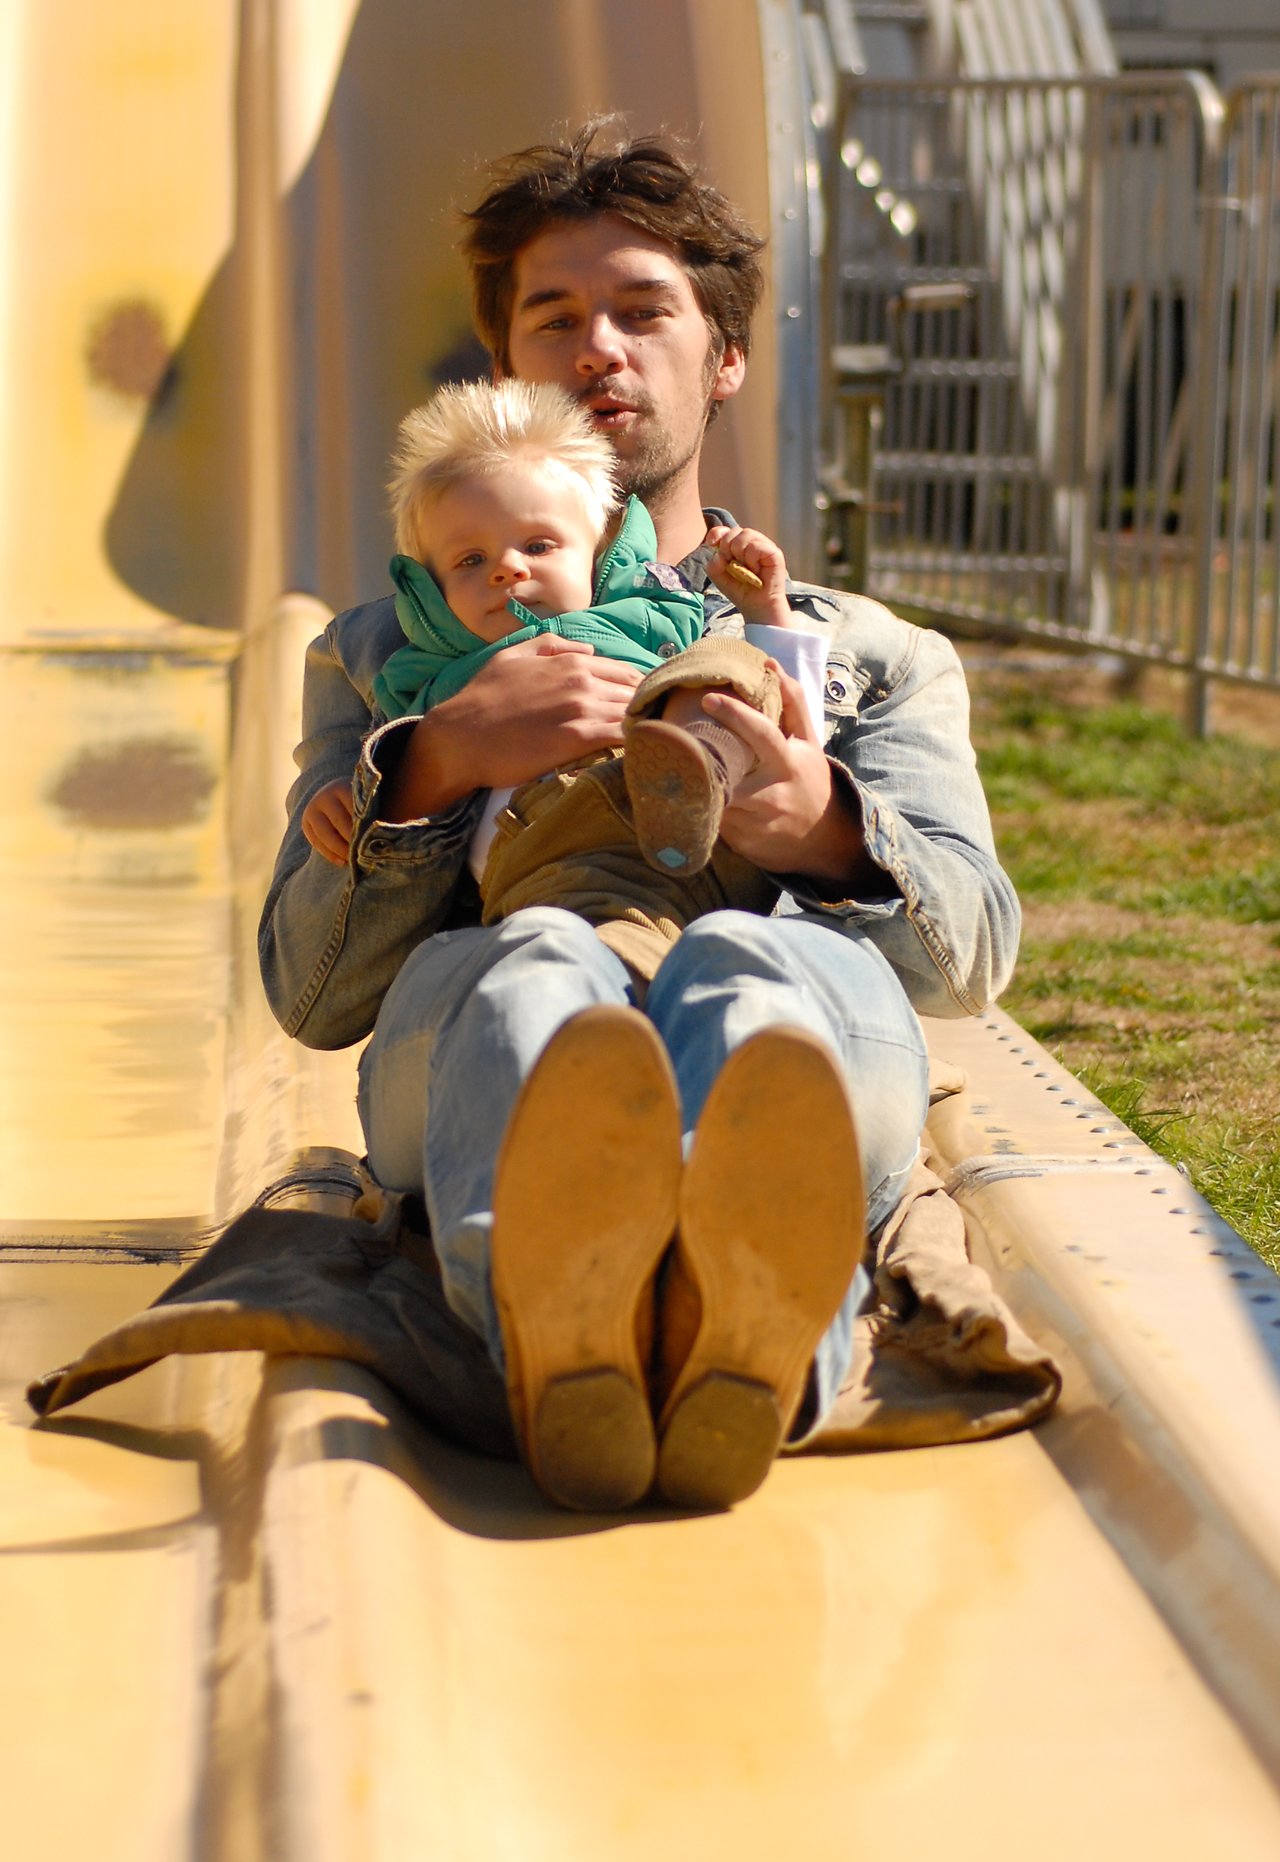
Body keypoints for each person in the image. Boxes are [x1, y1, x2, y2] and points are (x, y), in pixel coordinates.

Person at [259, 121, 1020, 1517]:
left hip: (790, 996)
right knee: (530, 977)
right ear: (508, 368)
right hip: (505, 997)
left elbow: (971, 953)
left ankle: (745, 1348)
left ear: (722, 359)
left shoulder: (863, 650)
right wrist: (432, 770)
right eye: (555, 317)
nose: (597, 347)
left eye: (643, 312)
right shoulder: (389, 651)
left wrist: (818, 827)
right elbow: (311, 993)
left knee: (760, 974)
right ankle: (561, 1324)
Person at [301, 376, 831, 987]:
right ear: (432, 592)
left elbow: (798, 738)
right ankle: (613, 1030)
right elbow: (400, 784)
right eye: (470, 561)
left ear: (597, 553)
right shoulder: (432, 680)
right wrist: (351, 799)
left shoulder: (654, 621)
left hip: (699, 838)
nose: (507, 567)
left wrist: (767, 615)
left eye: (539, 544)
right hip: (548, 853)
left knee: (729, 668)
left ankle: (691, 766)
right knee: (578, 949)